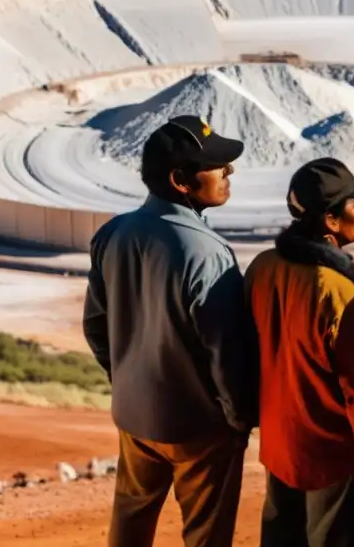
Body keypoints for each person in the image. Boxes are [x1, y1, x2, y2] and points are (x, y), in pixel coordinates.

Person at [83, 114, 258, 547]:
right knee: (205, 536)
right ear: (182, 180)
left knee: (130, 521)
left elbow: (95, 327)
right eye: (217, 166)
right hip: (198, 428)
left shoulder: (113, 233)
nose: (227, 172)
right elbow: (225, 351)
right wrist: (238, 420)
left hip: (133, 417)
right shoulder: (208, 253)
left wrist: (126, 379)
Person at [244, 157, 354, 547]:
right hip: (333, 458)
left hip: (279, 446)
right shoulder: (348, 299)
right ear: (331, 220)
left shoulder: (262, 268)